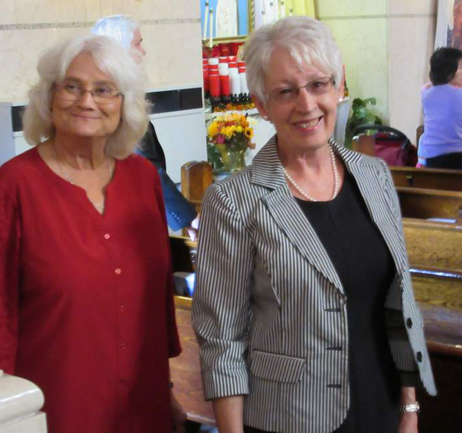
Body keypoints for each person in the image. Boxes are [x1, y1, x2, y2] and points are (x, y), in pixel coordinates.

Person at [192, 16, 436, 433]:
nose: (306, 105)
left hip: (381, 403)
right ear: (263, 104)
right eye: (286, 91)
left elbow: (400, 303)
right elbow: (221, 341)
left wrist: (409, 409)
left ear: (339, 86)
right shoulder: (234, 201)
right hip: (290, 419)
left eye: (318, 85)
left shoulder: (374, 176)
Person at [0, 34, 183, 432]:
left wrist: (168, 388)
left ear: (123, 104)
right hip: (56, 409)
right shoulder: (11, 188)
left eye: (104, 90)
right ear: (49, 97)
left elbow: (158, 303)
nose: (86, 101)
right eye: (72, 86)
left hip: (145, 404)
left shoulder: (143, 179)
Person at [91, 15, 199, 237]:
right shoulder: (113, 95)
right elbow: (145, 163)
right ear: (118, 50)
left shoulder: (110, 90)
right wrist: (188, 217)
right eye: (137, 43)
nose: (143, 51)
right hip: (126, 217)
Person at [420, 47, 462, 169]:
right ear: (449, 74)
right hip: (458, 156)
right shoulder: (459, 94)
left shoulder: (426, 94)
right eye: (460, 68)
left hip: (432, 158)